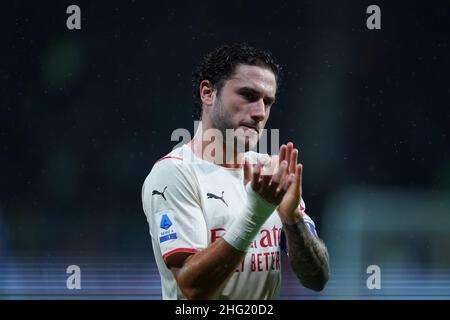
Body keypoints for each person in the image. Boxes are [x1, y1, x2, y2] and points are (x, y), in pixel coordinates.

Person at [142, 43, 329, 299]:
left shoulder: (269, 173)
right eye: (248, 95)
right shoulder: (175, 173)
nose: (260, 113)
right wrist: (256, 213)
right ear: (208, 93)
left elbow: (317, 279)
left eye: (267, 101)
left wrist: (292, 216)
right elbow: (193, 288)